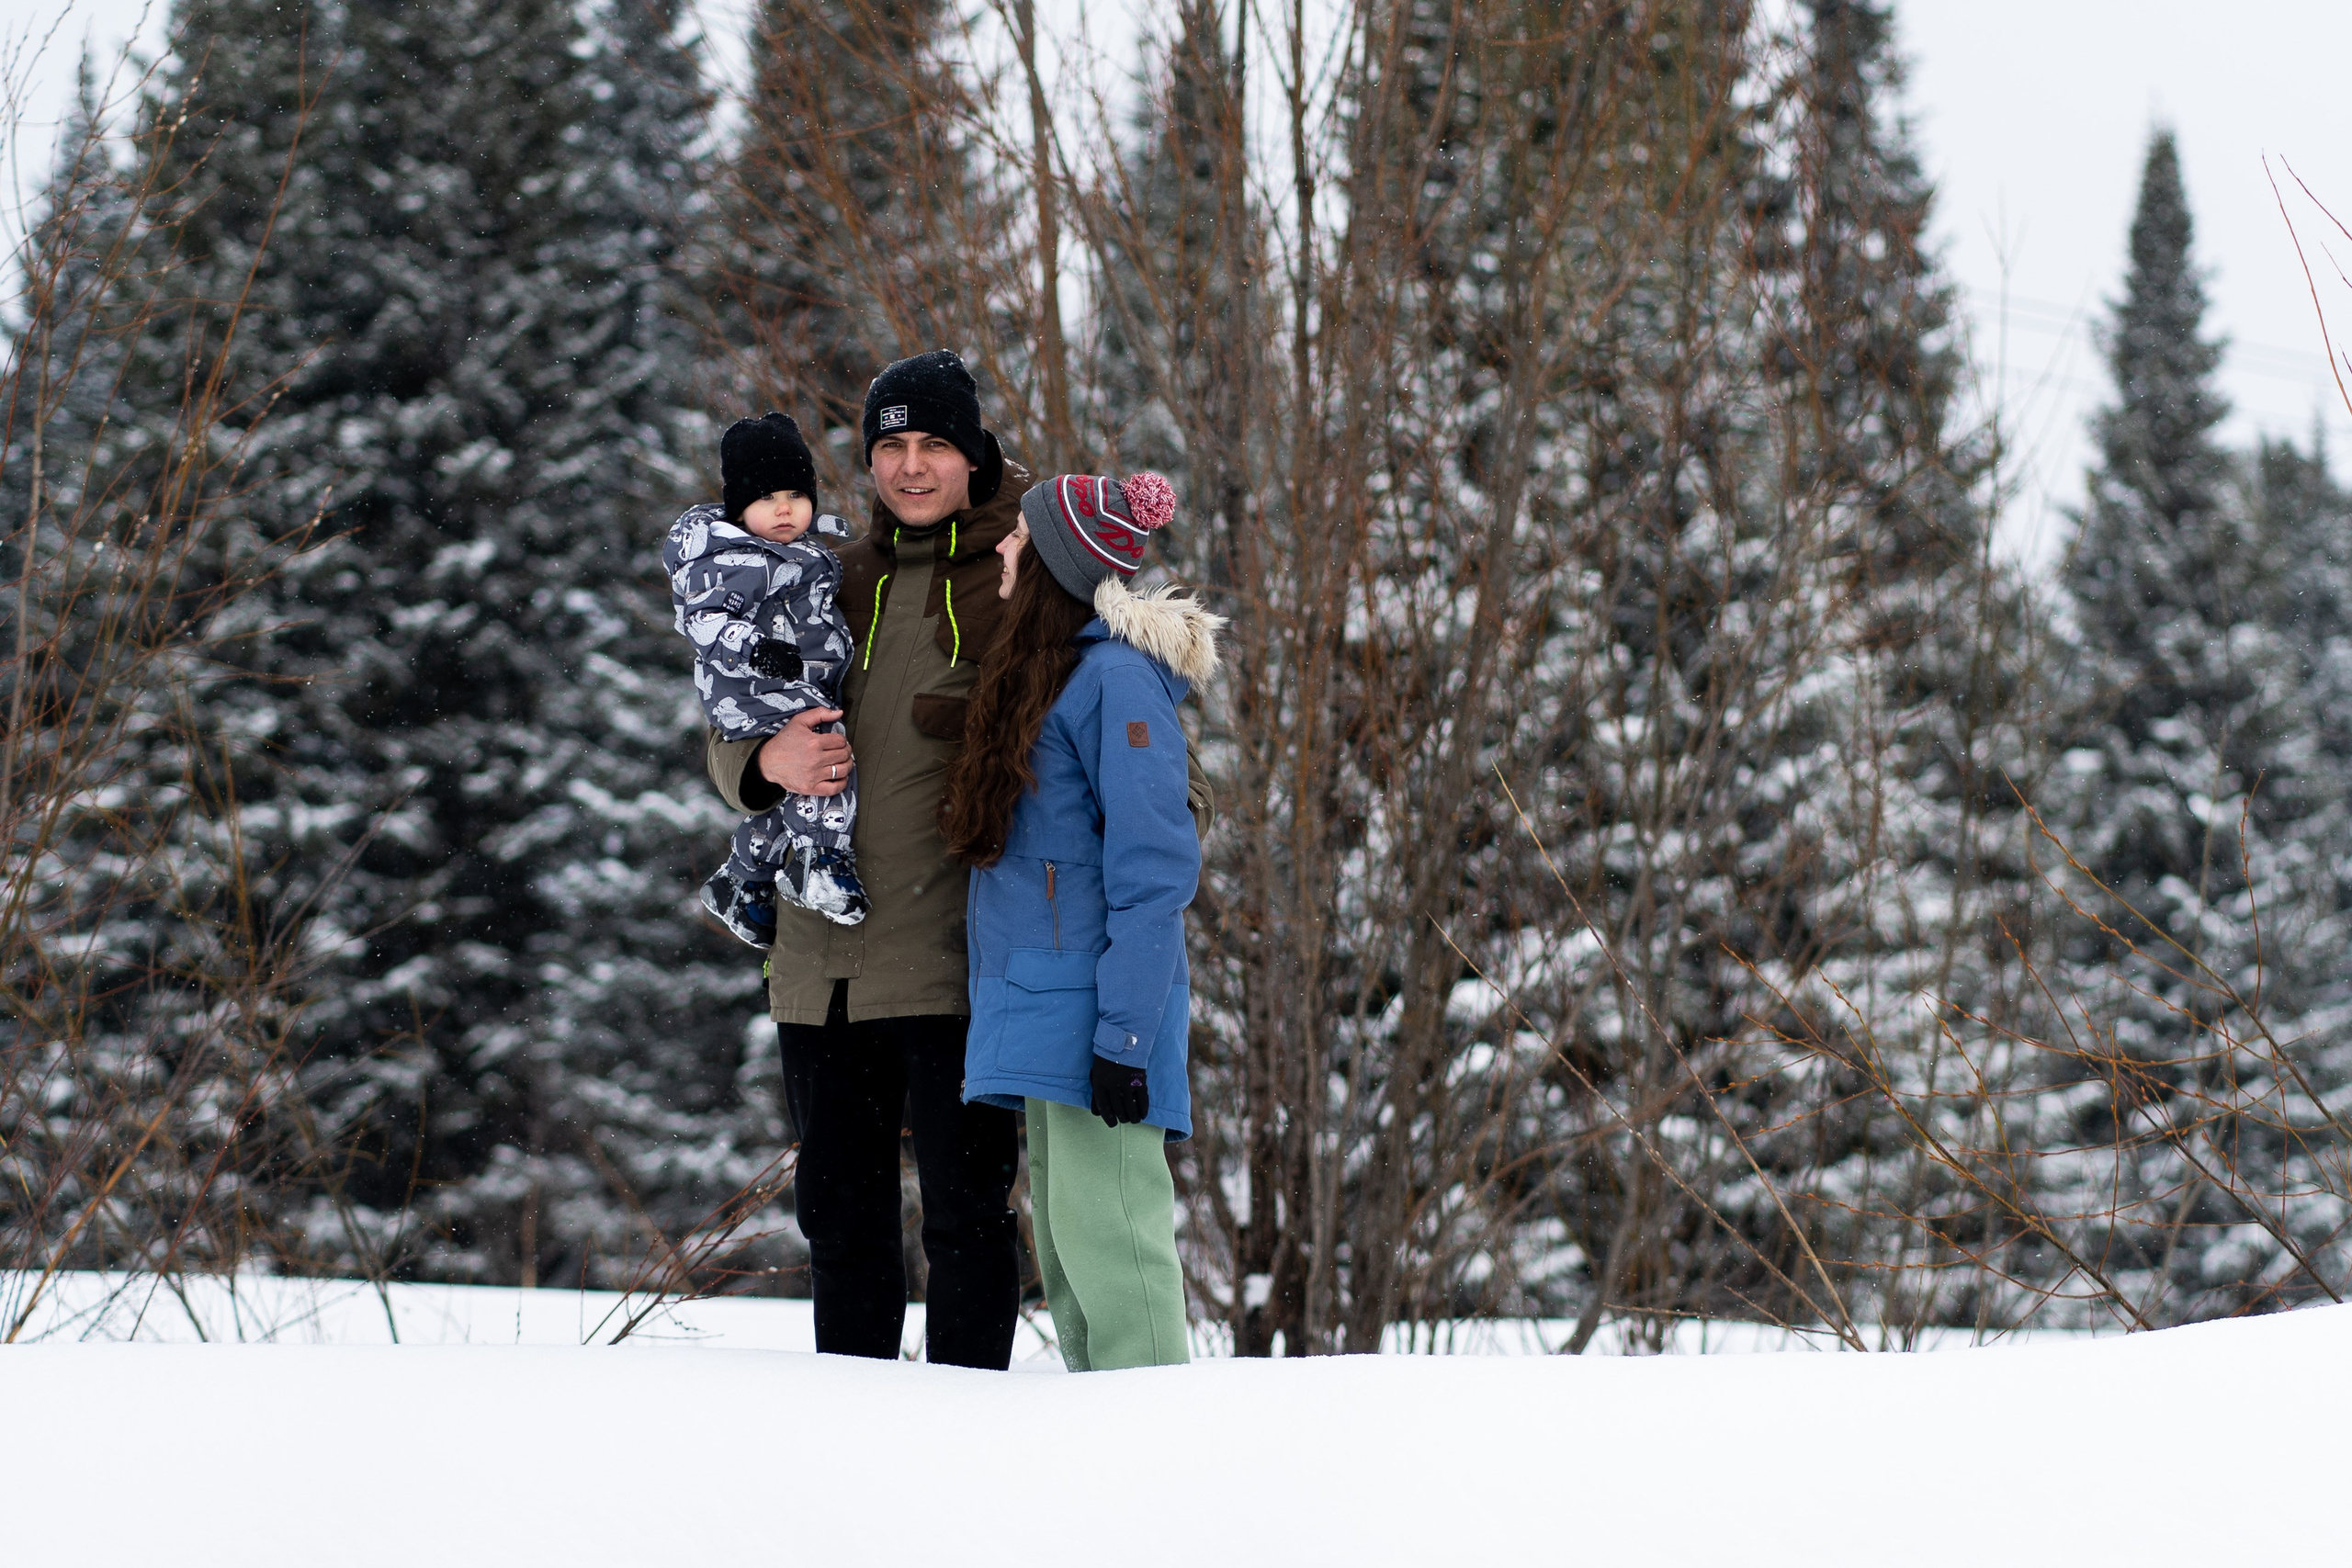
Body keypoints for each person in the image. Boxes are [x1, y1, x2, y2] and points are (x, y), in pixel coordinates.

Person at [703, 351, 1030, 1368]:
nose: (912, 467)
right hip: (818, 969)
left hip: (955, 971)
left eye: (934, 444)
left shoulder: (1025, 578)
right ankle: (853, 1459)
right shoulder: (821, 577)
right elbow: (726, 718)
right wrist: (765, 759)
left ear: (973, 455)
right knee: (839, 1234)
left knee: (968, 1228)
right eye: (891, 446)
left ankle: (973, 1451)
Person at [945, 471, 1222, 1372]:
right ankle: (1101, 1462)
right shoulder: (1050, 679)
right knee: (1071, 1260)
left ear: (1053, 566)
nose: (1000, 550)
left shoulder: (1113, 683)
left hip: (1098, 1022)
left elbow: (1155, 870)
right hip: (1048, 1013)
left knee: (1118, 1261)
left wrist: (1126, 1036)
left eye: (1017, 541)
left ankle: (1156, 1461)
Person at [664, 412, 868, 943]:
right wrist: (754, 649)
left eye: (796, 496)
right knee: (825, 753)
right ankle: (819, 861)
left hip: (785, 683)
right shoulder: (731, 560)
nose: (785, 509)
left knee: (795, 789)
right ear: (738, 507)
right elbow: (702, 620)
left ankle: (743, 877)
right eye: (766, 498)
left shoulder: (809, 552)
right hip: (752, 687)